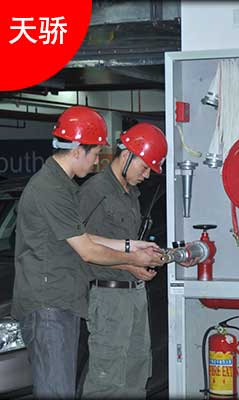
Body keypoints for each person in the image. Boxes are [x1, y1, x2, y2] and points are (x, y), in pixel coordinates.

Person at [11, 106, 163, 399]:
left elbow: (82, 236)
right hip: (48, 304)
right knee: (57, 391)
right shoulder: (50, 188)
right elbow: (88, 251)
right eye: (95, 153)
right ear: (78, 150)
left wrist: (132, 245)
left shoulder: (62, 186)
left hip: (62, 301)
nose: (97, 161)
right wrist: (132, 259)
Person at [78, 123, 167, 398]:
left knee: (135, 373)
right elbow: (80, 247)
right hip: (108, 297)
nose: (147, 174)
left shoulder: (131, 194)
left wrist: (143, 260)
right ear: (127, 154)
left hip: (134, 296)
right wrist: (129, 264)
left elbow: (124, 244)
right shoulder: (95, 191)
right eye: (145, 166)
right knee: (107, 379)